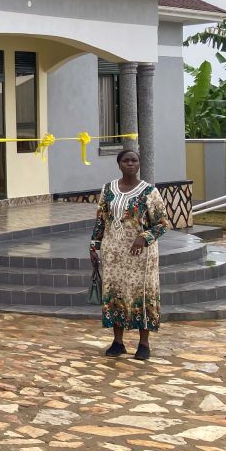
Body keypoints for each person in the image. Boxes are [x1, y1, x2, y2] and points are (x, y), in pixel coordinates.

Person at [89, 149, 170, 361]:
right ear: (119, 164)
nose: (130, 164)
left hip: (141, 255)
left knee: (141, 295)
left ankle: (144, 344)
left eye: (134, 160)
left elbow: (162, 224)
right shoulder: (108, 189)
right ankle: (118, 342)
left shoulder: (149, 192)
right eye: (126, 160)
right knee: (115, 293)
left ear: (139, 164)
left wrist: (144, 237)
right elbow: (101, 219)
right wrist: (94, 246)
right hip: (114, 253)